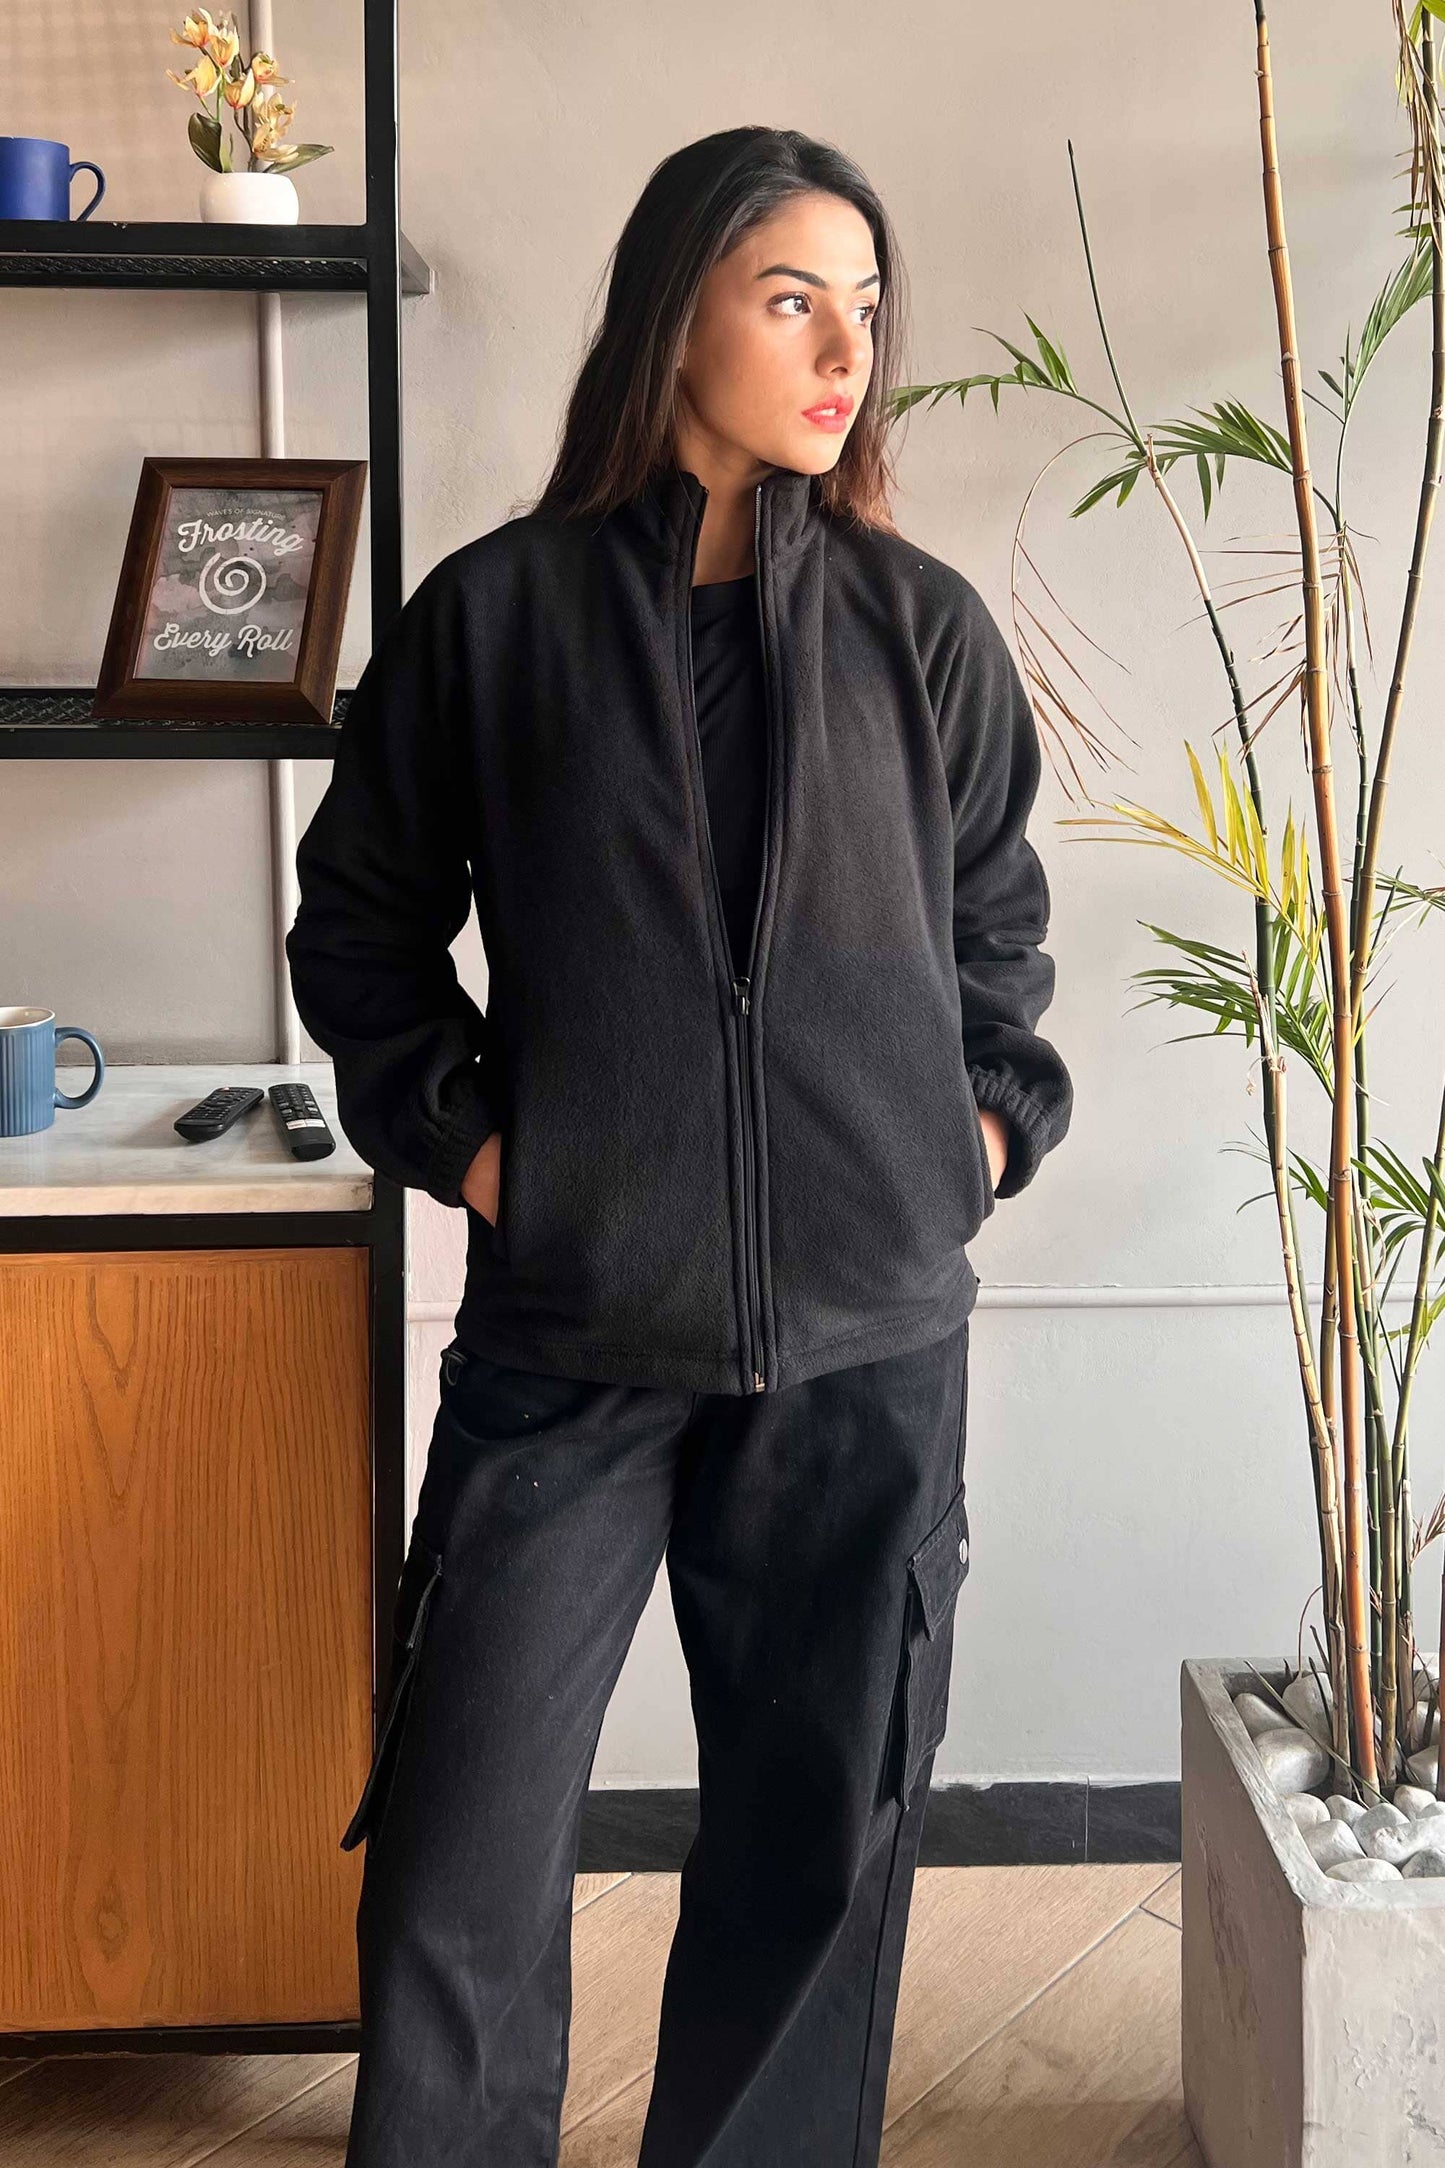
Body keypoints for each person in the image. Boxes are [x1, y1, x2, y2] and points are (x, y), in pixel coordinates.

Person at [286, 123, 1072, 2168]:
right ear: (675, 313)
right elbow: (358, 928)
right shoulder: (493, 622)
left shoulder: (921, 630)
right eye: (791, 297)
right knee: (459, 1866)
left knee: (813, 1863)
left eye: (865, 307)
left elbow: (998, 939)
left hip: (864, 1352)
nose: (846, 350)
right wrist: (487, 1157)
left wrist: (971, 1143)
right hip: (571, 1336)